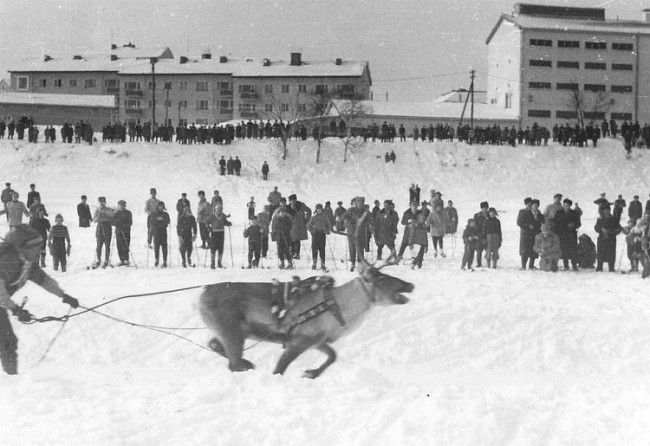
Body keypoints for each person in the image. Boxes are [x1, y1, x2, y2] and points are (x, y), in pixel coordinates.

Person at [0, 225, 79, 375]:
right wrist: (16, 310)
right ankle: (11, 382)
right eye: (36, 248)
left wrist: (63, 296)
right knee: (6, 341)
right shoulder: (7, 261)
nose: (40, 251)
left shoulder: (27, 263)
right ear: (23, 247)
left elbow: (44, 280)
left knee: (7, 341)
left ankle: (10, 378)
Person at [553, 198, 581, 271]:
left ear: (570, 205)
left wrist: (574, 225)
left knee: (573, 250)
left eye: (568, 205)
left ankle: (574, 266)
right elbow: (555, 223)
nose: (567, 206)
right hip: (562, 234)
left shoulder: (574, 213)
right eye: (565, 205)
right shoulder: (559, 212)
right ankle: (566, 266)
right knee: (564, 250)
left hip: (572, 234)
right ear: (563, 205)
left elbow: (579, 223)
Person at [594, 205, 621, 272]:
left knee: (611, 253)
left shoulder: (614, 218)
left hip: (611, 239)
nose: (607, 211)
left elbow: (619, 228)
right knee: (600, 253)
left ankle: (611, 267)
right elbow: (596, 228)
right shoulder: (600, 219)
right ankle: (599, 267)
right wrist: (601, 230)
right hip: (601, 239)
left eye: (608, 210)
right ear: (603, 211)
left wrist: (610, 232)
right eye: (605, 210)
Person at [343, 197, 367, 272]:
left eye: (361, 203)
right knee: (352, 248)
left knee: (360, 249)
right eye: (358, 202)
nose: (359, 204)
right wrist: (347, 221)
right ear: (356, 203)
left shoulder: (364, 211)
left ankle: (360, 264)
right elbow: (344, 217)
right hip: (351, 233)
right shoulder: (350, 210)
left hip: (361, 233)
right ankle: (352, 263)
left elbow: (369, 219)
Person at [206, 204, 231, 269]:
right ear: (215, 210)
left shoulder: (223, 216)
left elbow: (224, 222)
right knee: (213, 248)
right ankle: (212, 263)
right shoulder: (212, 216)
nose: (219, 210)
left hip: (221, 233)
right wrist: (208, 227)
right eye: (218, 209)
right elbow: (206, 222)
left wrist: (228, 223)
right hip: (214, 233)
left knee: (220, 248)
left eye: (221, 209)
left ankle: (219, 263)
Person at [287, 194, 311, 260]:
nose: (293, 202)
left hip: (298, 225)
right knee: (291, 239)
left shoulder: (301, 205)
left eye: (294, 200)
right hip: (290, 226)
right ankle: (292, 252)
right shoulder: (287, 207)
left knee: (297, 240)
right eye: (291, 201)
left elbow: (309, 211)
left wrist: (306, 220)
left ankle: (297, 254)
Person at [93, 196, 115, 268]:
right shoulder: (97, 210)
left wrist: (107, 217)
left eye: (103, 202)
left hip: (107, 227)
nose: (102, 203)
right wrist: (98, 217)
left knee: (107, 245)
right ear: (98, 202)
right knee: (99, 245)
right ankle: (98, 260)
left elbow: (113, 218)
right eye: (101, 202)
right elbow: (94, 220)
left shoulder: (109, 210)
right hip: (99, 227)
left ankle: (106, 260)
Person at [307, 204, 331, 271]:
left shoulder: (325, 217)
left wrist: (326, 231)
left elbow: (328, 225)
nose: (319, 210)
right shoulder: (314, 217)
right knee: (314, 249)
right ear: (316, 210)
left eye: (320, 209)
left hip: (322, 234)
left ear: (322, 209)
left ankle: (323, 264)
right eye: (318, 209)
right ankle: (314, 263)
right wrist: (312, 231)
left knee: (322, 249)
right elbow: (309, 226)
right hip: (315, 234)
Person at [272, 205, 293, 269]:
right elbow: (274, 227)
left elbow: (289, 227)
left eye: (284, 212)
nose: (283, 213)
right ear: (279, 213)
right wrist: (276, 230)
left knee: (287, 250)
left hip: (287, 236)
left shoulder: (288, 219)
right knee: (280, 250)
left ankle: (290, 262)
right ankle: (282, 262)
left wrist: (282, 227)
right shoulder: (277, 219)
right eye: (281, 212)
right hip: (279, 236)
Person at [150, 202, 170, 268]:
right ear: (157, 207)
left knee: (164, 246)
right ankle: (156, 259)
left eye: (162, 206)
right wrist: (158, 220)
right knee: (156, 246)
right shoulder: (154, 214)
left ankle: (165, 261)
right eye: (159, 206)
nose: (161, 207)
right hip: (156, 232)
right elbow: (152, 222)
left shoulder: (166, 214)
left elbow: (168, 221)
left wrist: (161, 220)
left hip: (163, 231)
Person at [113, 200, 133, 266]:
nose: (122, 206)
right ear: (118, 206)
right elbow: (113, 221)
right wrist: (117, 224)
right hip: (118, 232)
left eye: (123, 205)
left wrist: (124, 226)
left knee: (126, 245)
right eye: (120, 205)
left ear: (125, 205)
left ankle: (126, 260)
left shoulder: (128, 213)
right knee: (119, 246)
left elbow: (130, 222)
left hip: (126, 231)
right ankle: (121, 260)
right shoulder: (116, 213)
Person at [473, 202, 490, 268]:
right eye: (483, 208)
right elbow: (474, 226)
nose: (484, 209)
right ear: (481, 208)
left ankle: (488, 264)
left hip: (487, 236)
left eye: (486, 208)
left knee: (488, 250)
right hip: (479, 236)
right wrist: (474, 234)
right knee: (479, 251)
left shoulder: (490, 215)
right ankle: (479, 264)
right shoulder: (477, 215)